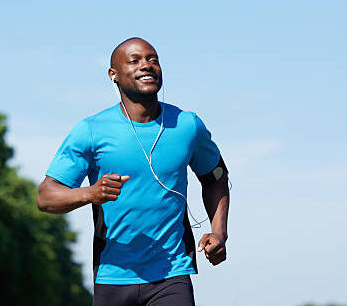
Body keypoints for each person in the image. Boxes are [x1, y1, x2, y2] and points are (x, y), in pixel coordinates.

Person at [37, 37, 230, 306]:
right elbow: (46, 197)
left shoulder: (187, 126)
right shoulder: (91, 130)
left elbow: (216, 178)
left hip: (171, 275)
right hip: (112, 276)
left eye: (153, 59)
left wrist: (218, 231)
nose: (146, 66)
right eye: (135, 60)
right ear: (113, 75)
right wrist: (90, 193)